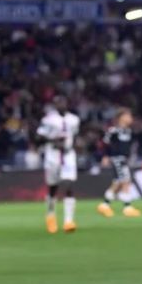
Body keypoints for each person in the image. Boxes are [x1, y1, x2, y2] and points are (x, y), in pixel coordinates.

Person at [36, 96, 81, 234]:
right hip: (52, 155)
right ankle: (50, 215)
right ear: (54, 105)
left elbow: (75, 135)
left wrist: (75, 145)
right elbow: (39, 136)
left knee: (69, 184)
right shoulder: (48, 120)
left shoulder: (74, 119)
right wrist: (52, 140)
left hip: (68, 155)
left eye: (63, 102)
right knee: (53, 188)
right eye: (58, 103)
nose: (61, 104)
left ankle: (68, 221)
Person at [97, 107, 142, 218]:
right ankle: (125, 207)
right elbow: (104, 144)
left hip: (124, 159)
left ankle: (106, 205)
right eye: (128, 116)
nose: (131, 118)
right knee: (123, 180)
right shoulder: (113, 131)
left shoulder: (129, 131)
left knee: (119, 181)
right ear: (121, 118)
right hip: (116, 158)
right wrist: (105, 156)